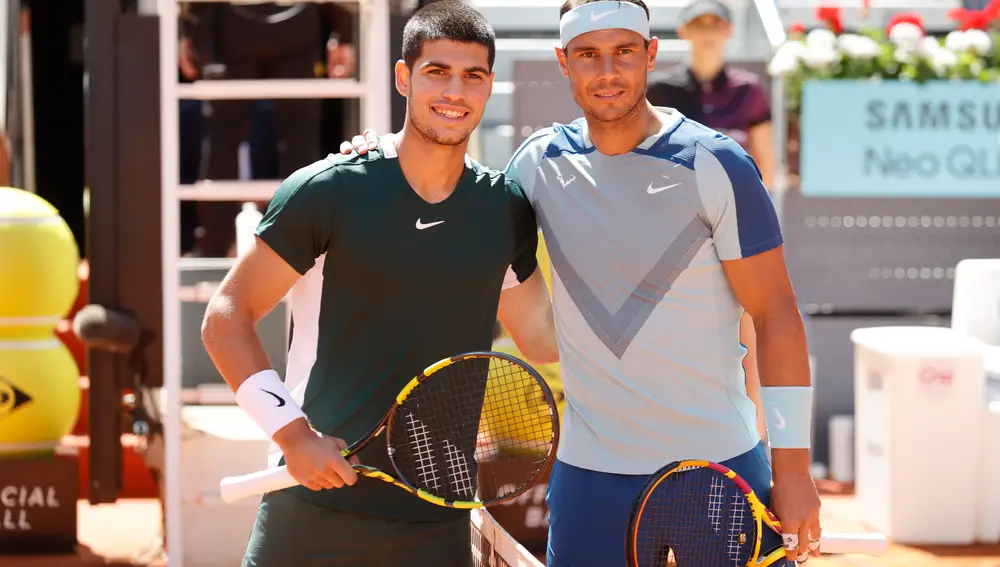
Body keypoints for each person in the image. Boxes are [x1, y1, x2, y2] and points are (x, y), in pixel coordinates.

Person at [339, 0, 822, 565]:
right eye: (588, 55)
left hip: (720, 468)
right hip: (591, 479)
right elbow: (446, 190)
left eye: (623, 52)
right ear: (563, 62)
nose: (608, 72)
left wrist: (792, 469)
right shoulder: (535, 165)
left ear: (651, 54)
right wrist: (378, 158)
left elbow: (777, 314)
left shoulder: (719, 164)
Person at [200, 2, 558, 565]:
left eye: (473, 76)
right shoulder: (328, 190)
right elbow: (225, 317)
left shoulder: (504, 208)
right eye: (437, 71)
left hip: (436, 519)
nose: (454, 92)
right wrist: (292, 437)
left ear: (490, 86)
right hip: (311, 509)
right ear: (402, 78)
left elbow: (544, 340)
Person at [646, 0, 778, 445]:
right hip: (674, 237)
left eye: (716, 24)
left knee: (752, 335)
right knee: (678, 341)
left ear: (728, 32)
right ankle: (675, 446)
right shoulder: (660, 89)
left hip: (738, 231)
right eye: (698, 24)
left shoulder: (749, 91)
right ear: (683, 32)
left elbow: (767, 168)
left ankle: (755, 442)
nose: (707, 33)